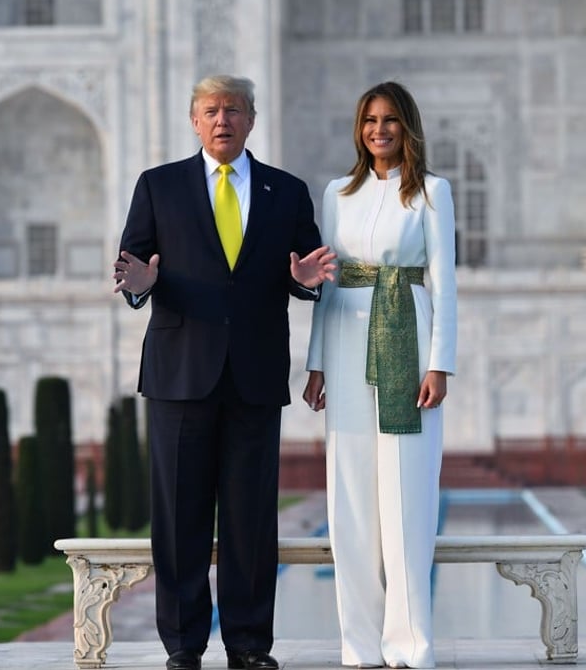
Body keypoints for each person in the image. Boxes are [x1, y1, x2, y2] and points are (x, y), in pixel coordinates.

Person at [113, 74, 336, 670]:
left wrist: (304, 283)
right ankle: (184, 645)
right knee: (180, 516)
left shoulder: (285, 191)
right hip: (180, 372)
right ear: (194, 120)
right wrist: (139, 286)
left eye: (232, 110)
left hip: (255, 377)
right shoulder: (159, 186)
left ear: (251, 120)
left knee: (250, 519)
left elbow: (302, 268)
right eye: (210, 110)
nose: (221, 120)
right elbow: (136, 262)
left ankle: (247, 645)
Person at [302, 81, 457, 669]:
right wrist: (315, 362)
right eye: (370, 120)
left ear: (407, 126)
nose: (379, 130)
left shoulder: (433, 193)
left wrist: (440, 362)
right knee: (350, 500)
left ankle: (410, 645)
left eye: (390, 119)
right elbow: (327, 283)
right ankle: (359, 646)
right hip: (344, 340)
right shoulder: (338, 193)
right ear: (359, 128)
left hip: (407, 341)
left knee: (407, 497)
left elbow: (444, 282)